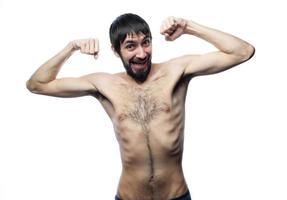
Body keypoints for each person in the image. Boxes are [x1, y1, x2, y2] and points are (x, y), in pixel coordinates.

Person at [26, 13, 255, 200]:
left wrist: (189, 27)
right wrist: (71, 47)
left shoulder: (176, 71)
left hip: (176, 196)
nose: (141, 53)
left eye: (146, 43)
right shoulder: (104, 84)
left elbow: (242, 51)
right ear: (116, 51)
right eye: (131, 46)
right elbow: (37, 84)